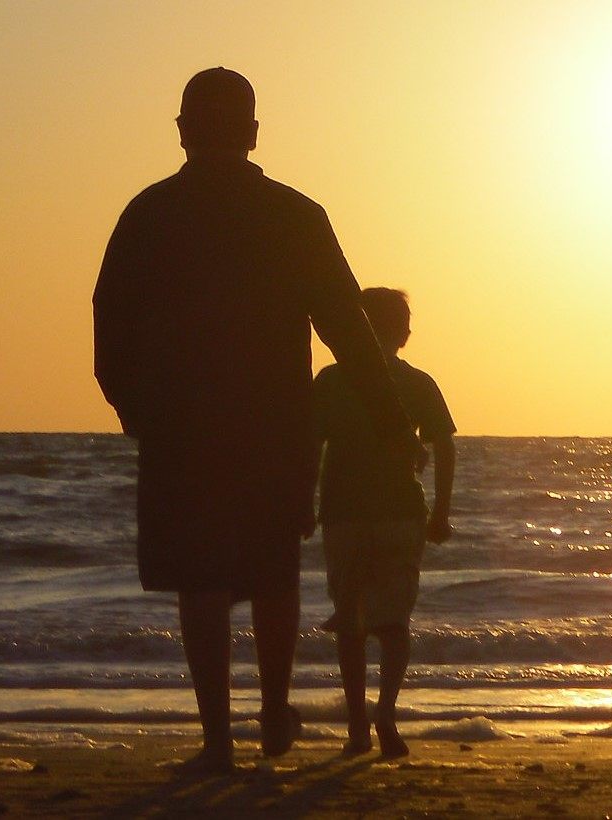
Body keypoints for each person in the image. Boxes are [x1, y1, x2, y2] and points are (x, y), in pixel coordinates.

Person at [93, 68, 414, 773]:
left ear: (182, 131)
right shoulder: (295, 214)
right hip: (275, 424)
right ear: (253, 133)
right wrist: (391, 420)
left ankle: (216, 738)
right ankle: (273, 706)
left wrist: (133, 408)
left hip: (182, 426)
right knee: (273, 571)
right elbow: (347, 327)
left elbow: (108, 319)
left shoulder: (149, 213)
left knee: (199, 578)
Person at [315, 287, 456, 758]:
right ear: (404, 332)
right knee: (391, 621)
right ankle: (383, 716)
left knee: (352, 620)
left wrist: (297, 502)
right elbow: (445, 446)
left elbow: (307, 445)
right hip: (395, 513)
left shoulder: (333, 380)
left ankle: (362, 721)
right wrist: (441, 510)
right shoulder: (416, 382)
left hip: (347, 513)